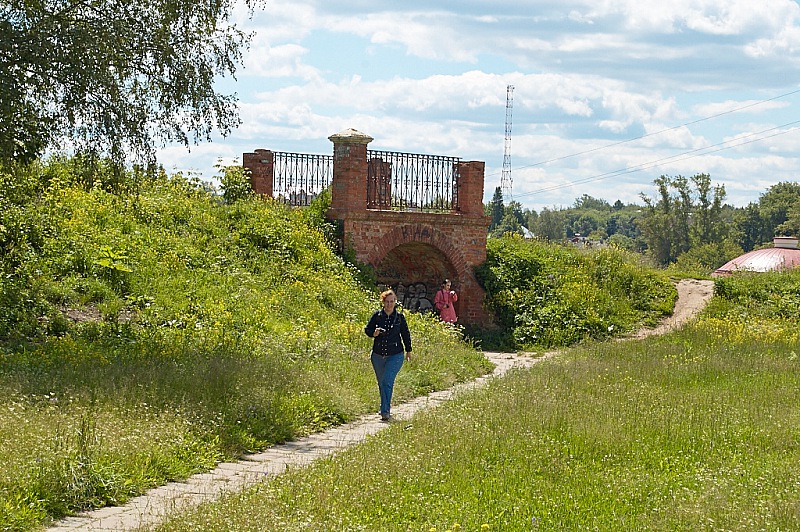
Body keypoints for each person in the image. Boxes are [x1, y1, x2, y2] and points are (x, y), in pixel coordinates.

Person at [364, 289, 412, 422]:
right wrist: (374, 333)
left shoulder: (400, 318)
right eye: (387, 302)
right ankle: (384, 407)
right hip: (378, 355)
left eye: (392, 302)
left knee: (387, 381)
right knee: (381, 383)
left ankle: (385, 411)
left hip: (395, 354)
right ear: (383, 302)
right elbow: (367, 329)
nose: (390, 304)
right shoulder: (377, 316)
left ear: (395, 302)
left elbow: (405, 334)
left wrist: (409, 351)